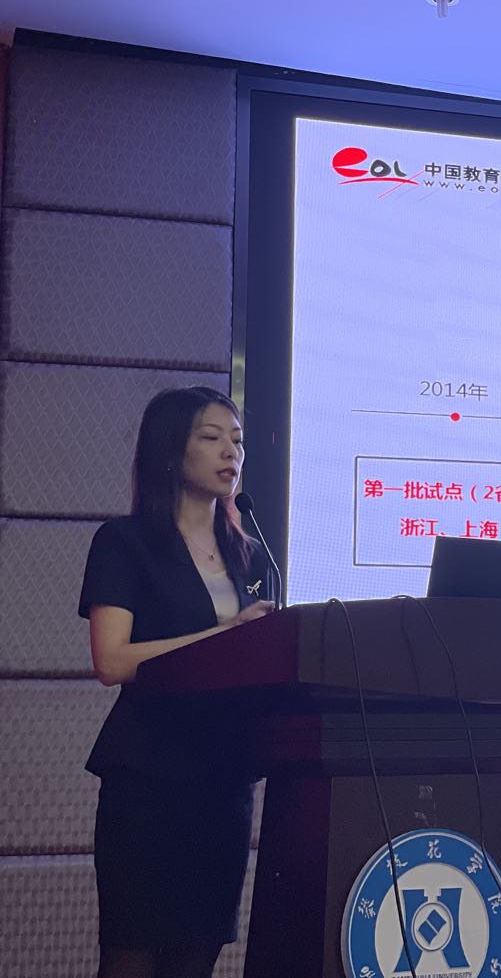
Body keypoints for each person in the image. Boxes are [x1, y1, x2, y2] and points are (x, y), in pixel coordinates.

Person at [79, 387, 278, 978]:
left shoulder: (252, 556)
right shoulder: (125, 542)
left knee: (197, 958)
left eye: (237, 440)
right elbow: (112, 661)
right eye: (211, 438)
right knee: (133, 957)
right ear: (170, 451)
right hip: (148, 781)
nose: (230, 452)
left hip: (223, 781)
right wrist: (224, 636)